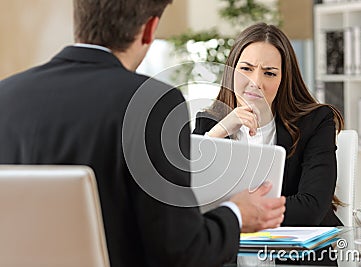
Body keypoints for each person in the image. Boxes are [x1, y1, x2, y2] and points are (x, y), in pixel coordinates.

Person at [0, 1, 286, 267]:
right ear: (149, 29)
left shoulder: (6, 96)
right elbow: (180, 251)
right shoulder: (151, 102)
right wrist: (236, 215)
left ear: (79, 20)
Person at [193, 22, 345, 227]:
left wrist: (236, 213)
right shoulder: (209, 125)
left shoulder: (316, 122)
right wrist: (217, 134)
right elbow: (188, 202)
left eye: (270, 73)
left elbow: (311, 208)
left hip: (295, 256)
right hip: (229, 255)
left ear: (284, 79)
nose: (256, 82)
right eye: (246, 69)